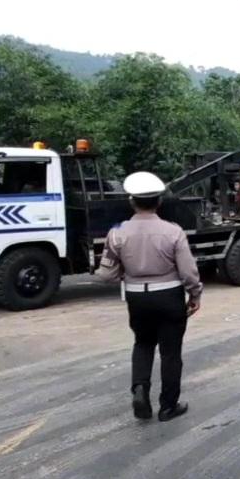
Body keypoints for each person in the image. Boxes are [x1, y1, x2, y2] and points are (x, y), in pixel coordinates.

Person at [96, 171, 202, 422]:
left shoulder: (117, 232)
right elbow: (188, 271)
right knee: (170, 352)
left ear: (131, 201)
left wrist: (126, 274)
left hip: (137, 298)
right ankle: (168, 407)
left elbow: (106, 274)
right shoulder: (173, 231)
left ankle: (140, 388)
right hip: (169, 296)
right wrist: (195, 294)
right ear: (160, 201)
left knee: (143, 343)